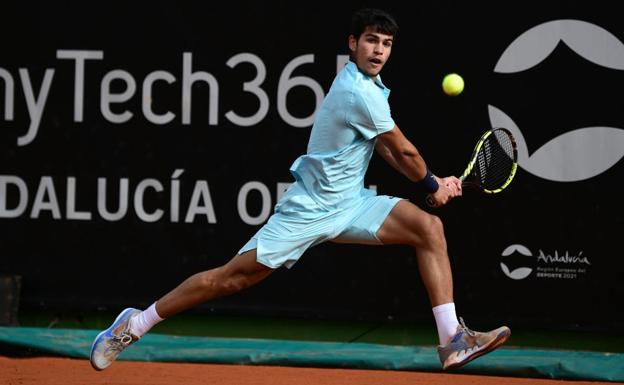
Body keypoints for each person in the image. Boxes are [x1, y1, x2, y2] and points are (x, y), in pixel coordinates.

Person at [90, 8, 510, 372]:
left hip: (353, 203)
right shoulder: (356, 92)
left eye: (386, 43)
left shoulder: (372, 89)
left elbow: (385, 147)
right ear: (352, 43)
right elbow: (404, 149)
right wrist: (433, 184)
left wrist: (431, 186)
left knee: (428, 229)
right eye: (370, 41)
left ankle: (452, 339)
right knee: (229, 281)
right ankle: (135, 324)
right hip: (308, 210)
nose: (378, 50)